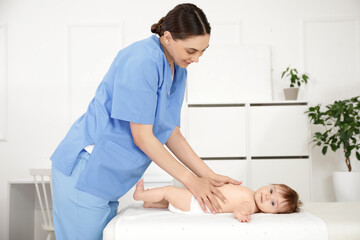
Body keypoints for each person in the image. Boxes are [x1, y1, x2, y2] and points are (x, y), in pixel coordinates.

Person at [50, 3, 241, 240]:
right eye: (191, 51)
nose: (197, 59)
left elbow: (170, 131)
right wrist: (191, 181)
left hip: (108, 179)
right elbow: (143, 137)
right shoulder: (141, 60)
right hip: (86, 170)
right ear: (168, 38)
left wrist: (207, 175)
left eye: (203, 51)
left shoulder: (178, 68)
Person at [133, 179, 302, 223]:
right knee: (169, 199)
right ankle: (151, 203)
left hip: (196, 204)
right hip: (199, 197)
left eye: (273, 204)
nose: (267, 196)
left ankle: (141, 195)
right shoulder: (251, 193)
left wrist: (242, 215)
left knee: (169, 191)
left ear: (274, 213)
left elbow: (239, 209)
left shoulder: (250, 205)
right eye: (271, 190)